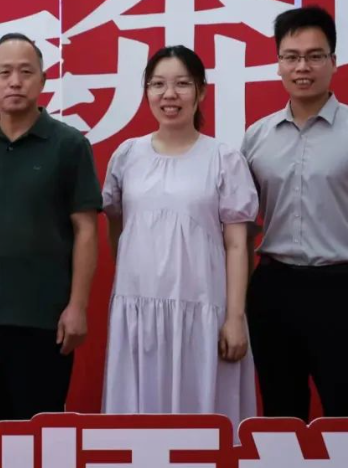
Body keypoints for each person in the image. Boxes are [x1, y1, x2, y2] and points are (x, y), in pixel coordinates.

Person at [241, 5, 348, 421]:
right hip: (273, 288)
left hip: (341, 292)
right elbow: (241, 231)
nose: (303, 67)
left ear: (333, 62)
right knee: (280, 414)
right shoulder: (257, 137)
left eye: (315, 56)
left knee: (346, 413)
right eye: (291, 57)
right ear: (278, 64)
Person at [0, 33, 102, 433]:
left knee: (37, 434)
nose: (15, 82)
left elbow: (86, 229)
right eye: (5, 72)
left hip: (45, 316)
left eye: (26, 72)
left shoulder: (69, 145)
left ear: (43, 80)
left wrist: (78, 306)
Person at [101, 45, 258, 426]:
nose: (169, 95)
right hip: (138, 309)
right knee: (138, 419)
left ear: (200, 91)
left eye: (182, 84)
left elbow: (238, 244)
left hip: (203, 310)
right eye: (157, 84)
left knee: (202, 419)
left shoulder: (223, 159)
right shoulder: (127, 156)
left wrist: (234, 317)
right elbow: (117, 227)